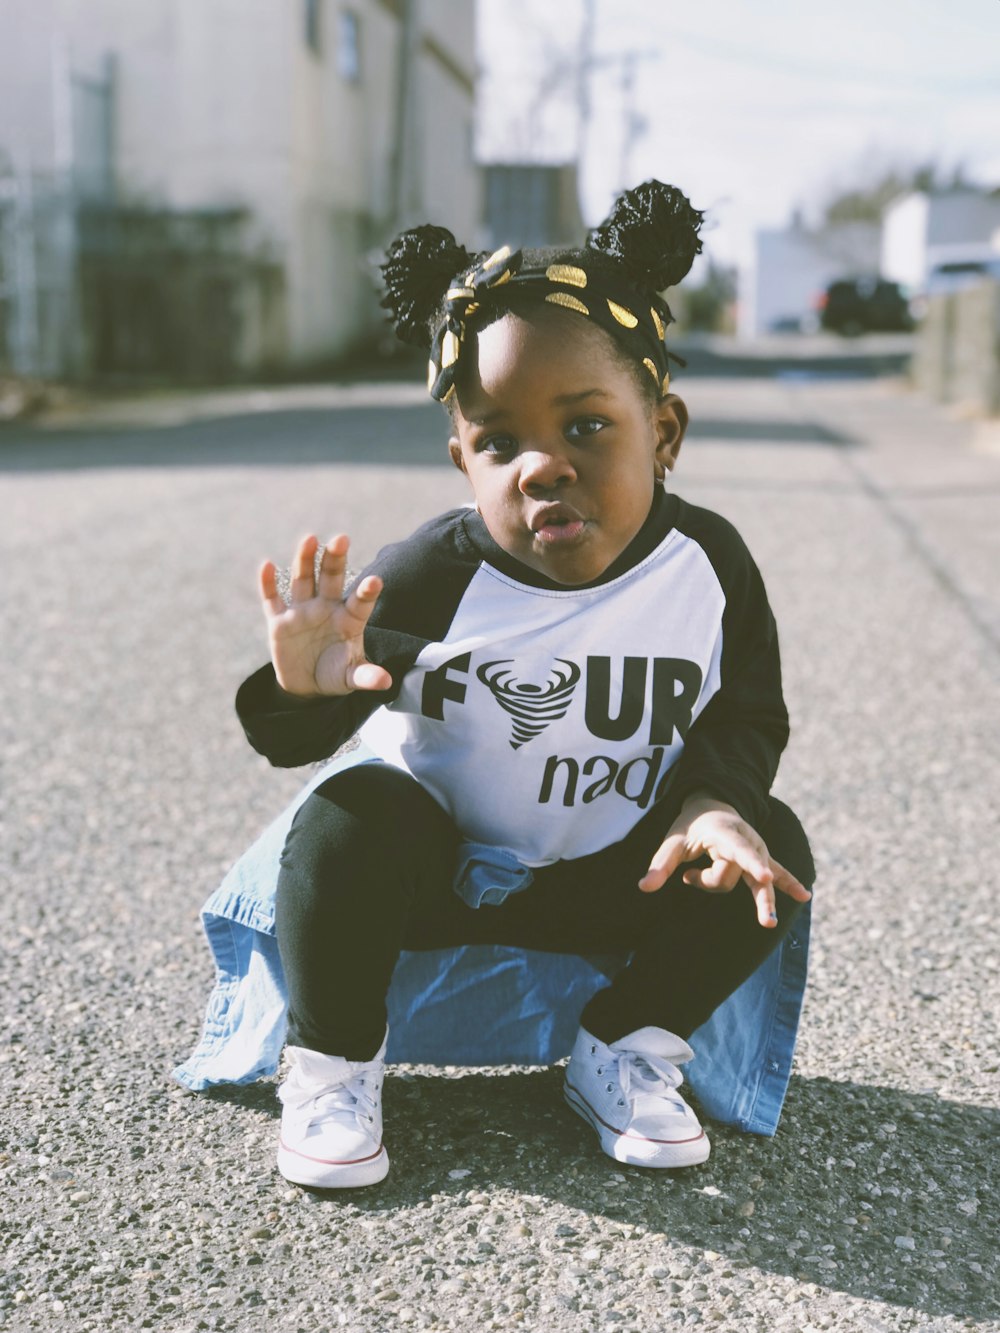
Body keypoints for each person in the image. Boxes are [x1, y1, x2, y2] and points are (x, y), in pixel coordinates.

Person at [233, 181, 814, 1189]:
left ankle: (624, 1046)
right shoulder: (429, 574)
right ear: (463, 460)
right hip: (444, 872)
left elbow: (746, 712)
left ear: (663, 433)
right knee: (343, 815)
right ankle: (329, 1060)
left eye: (585, 427)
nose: (540, 467)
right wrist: (310, 687)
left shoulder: (709, 567)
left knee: (767, 850)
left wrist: (717, 804)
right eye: (499, 441)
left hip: (609, 875)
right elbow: (292, 739)